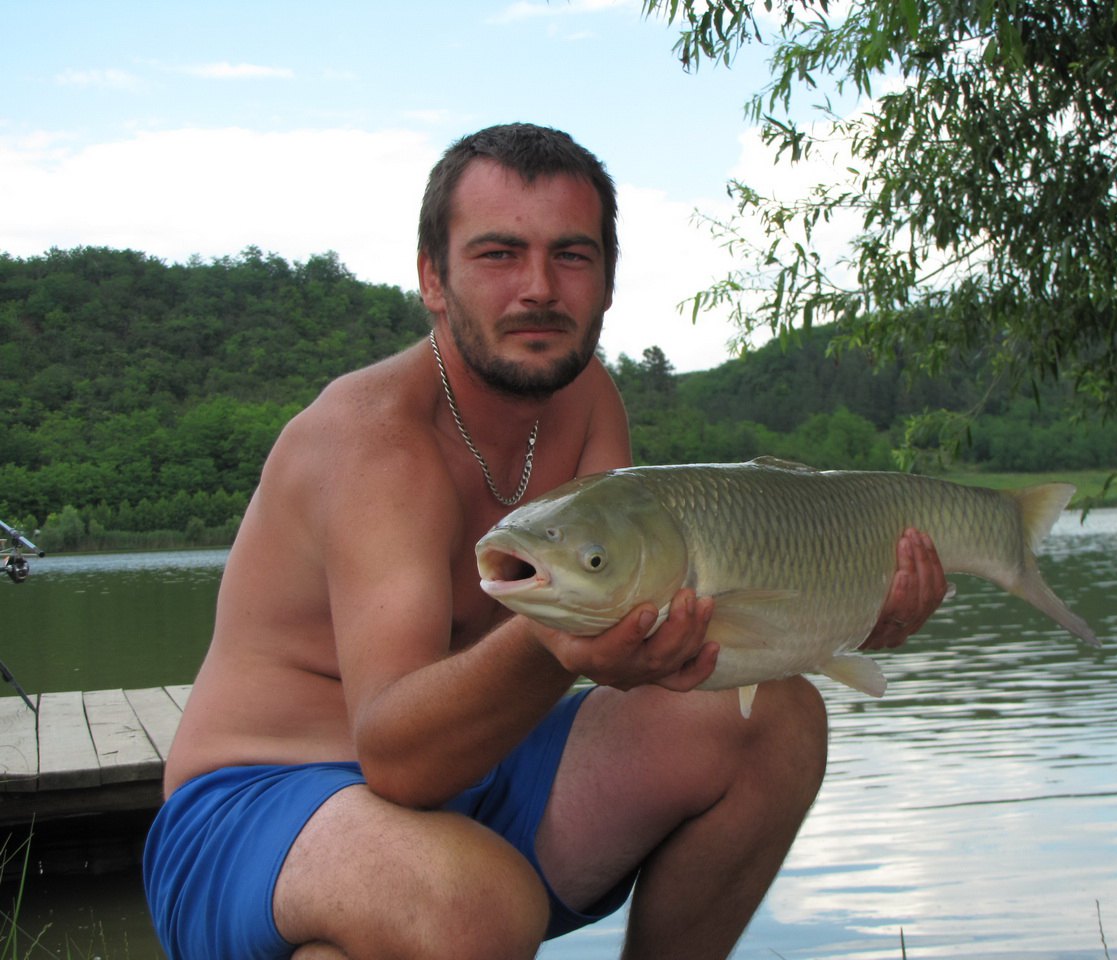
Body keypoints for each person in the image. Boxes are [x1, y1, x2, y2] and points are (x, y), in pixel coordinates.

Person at [143, 122, 947, 960]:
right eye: (498, 255)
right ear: (433, 277)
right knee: (468, 909)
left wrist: (834, 615)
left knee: (776, 721)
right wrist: (555, 644)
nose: (539, 288)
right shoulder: (375, 444)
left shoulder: (588, 396)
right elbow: (398, 757)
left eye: (572, 256)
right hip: (260, 810)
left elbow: (643, 640)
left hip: (487, 767)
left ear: (605, 281)